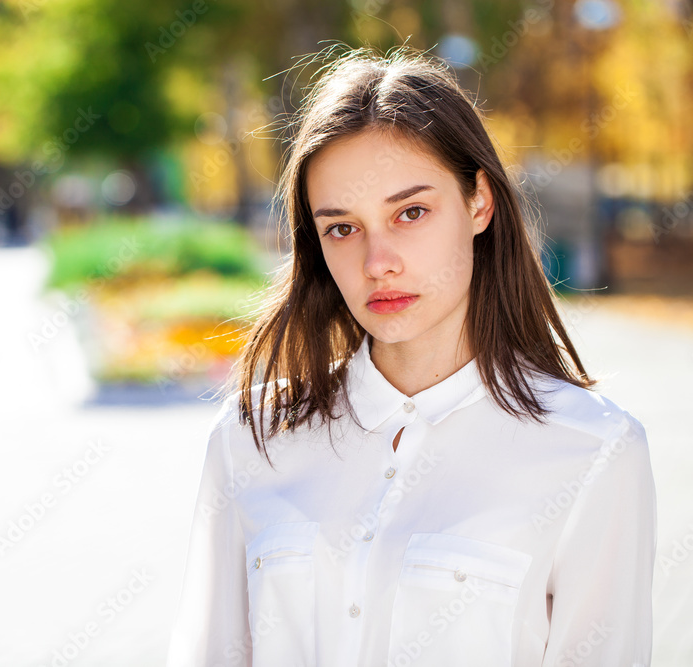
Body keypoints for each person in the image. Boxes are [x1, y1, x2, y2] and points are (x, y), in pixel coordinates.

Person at [166, 45, 657, 667]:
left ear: (480, 203)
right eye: (342, 228)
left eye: (412, 212)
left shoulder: (593, 451)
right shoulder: (250, 438)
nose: (378, 263)